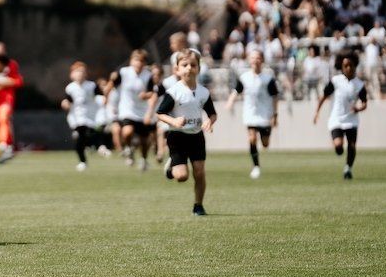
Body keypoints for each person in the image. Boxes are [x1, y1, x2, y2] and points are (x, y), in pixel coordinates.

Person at [157, 50, 217, 216]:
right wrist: (174, 121)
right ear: (177, 69)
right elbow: (160, 113)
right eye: (184, 65)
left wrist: (208, 122)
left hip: (197, 137)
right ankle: (171, 168)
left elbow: (213, 114)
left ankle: (198, 205)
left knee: (199, 172)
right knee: (182, 176)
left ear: (198, 68)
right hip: (177, 137)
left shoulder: (204, 92)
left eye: (193, 65)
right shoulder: (174, 92)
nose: (189, 68)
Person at [223, 49, 279, 179]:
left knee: (265, 144)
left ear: (262, 60)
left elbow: (275, 97)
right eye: (252, 58)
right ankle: (256, 167)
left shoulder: (268, 79)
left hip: (265, 115)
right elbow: (236, 91)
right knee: (252, 138)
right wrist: (230, 102)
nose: (255, 60)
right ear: (249, 60)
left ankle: (266, 137)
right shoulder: (244, 77)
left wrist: (275, 115)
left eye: (258, 58)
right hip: (250, 114)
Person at [313, 53, 368, 180]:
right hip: (336, 119)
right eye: (345, 66)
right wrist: (317, 112)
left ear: (355, 66)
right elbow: (324, 96)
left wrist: (358, 108)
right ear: (341, 67)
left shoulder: (359, 85)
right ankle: (339, 150)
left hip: (351, 119)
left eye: (351, 65)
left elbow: (365, 103)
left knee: (352, 145)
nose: (348, 68)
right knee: (338, 146)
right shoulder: (335, 81)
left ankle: (348, 168)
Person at [106, 50, 155, 170]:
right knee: (127, 132)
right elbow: (113, 82)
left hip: (142, 111)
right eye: (136, 60)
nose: (138, 63)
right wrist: (106, 93)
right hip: (127, 108)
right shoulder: (124, 72)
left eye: (141, 61)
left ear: (144, 63)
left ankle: (144, 159)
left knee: (144, 140)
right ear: (131, 61)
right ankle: (128, 148)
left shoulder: (148, 75)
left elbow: (152, 93)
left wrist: (146, 96)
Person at [61, 61, 101, 171]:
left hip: (91, 116)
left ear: (86, 74)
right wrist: (65, 104)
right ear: (72, 74)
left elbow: (100, 96)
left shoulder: (91, 86)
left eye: (82, 72)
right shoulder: (70, 88)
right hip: (76, 117)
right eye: (77, 72)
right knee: (79, 139)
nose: (80, 74)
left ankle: (93, 146)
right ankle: (83, 160)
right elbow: (68, 100)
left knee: (87, 135)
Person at [0, 42, 23, 159]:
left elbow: (18, 81)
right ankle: (5, 148)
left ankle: (5, 145)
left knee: (4, 118)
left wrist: (3, 82)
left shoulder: (12, 64)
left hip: (6, 99)